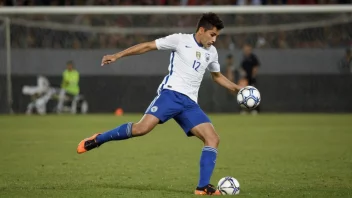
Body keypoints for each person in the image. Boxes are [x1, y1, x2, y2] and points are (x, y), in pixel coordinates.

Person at [76, 13, 242, 195]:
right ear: (201, 30)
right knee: (141, 129)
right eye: (212, 34)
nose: (214, 40)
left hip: (190, 104)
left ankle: (202, 187)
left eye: (217, 36)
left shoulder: (212, 53)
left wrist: (238, 89)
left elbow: (216, 76)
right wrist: (117, 55)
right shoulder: (179, 40)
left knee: (213, 139)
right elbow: (147, 46)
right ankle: (98, 139)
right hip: (170, 95)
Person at [240, 43, 260, 114]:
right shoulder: (244, 58)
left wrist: (253, 75)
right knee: (244, 95)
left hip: (252, 79)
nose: (246, 51)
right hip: (245, 79)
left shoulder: (253, 57)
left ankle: (255, 110)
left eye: (247, 49)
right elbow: (242, 67)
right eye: (245, 49)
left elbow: (256, 67)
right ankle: (244, 110)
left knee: (253, 95)